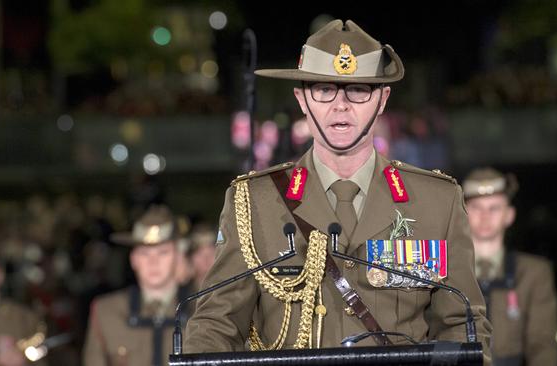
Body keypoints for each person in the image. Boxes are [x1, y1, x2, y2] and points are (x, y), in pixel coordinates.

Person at [184, 18, 491, 362]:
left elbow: (462, 326)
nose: (340, 105)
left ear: (383, 99)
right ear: (302, 99)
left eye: (358, 90)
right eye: (323, 89)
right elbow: (215, 326)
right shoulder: (255, 201)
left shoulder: (438, 201)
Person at [463, 167, 557, 365]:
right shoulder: (445, 271)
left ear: (509, 215)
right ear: (462, 214)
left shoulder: (533, 273)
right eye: (476, 207)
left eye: (494, 208)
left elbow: (542, 345)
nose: (485, 216)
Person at [83, 205, 192, 366]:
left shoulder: (202, 310)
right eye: (145, 253)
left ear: (178, 256)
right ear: (133, 259)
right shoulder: (107, 311)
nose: (153, 262)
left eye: (163, 252)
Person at [186, 223, 217, 294]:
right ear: (191, 258)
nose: (206, 260)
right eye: (200, 254)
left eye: (211, 253)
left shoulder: (230, 291)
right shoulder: (182, 295)